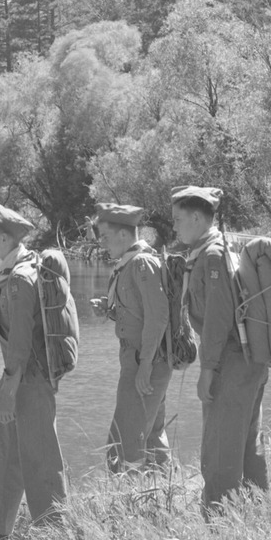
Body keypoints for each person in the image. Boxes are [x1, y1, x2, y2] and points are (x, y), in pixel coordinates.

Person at [171, 185, 269, 514]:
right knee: (245, 443)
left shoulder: (211, 256)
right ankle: (259, 511)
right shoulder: (220, 247)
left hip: (229, 362)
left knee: (218, 448)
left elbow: (216, 319)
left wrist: (207, 370)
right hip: (250, 358)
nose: (174, 227)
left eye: (178, 219)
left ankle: (219, 522)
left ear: (197, 218)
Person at [0, 201, 67, 540]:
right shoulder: (13, 270)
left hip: (29, 381)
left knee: (40, 458)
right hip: (18, 378)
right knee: (3, 457)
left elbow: (20, 343)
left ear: (4, 239)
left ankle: (55, 538)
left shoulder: (19, 279)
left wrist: (10, 388)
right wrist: (7, 382)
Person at [91, 202, 172, 472]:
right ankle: (162, 499)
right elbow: (140, 314)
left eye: (104, 236)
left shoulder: (141, 263)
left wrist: (145, 366)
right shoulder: (129, 263)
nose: (101, 243)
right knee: (150, 439)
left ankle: (127, 504)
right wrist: (110, 309)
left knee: (122, 446)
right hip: (140, 361)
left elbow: (159, 316)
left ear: (124, 235)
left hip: (144, 362)